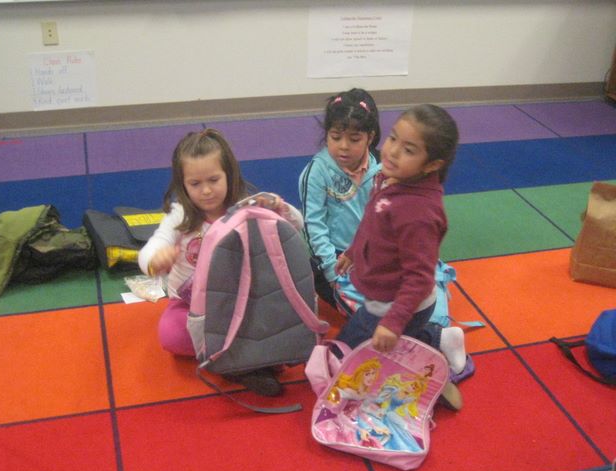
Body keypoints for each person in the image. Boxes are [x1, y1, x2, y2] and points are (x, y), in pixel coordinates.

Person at [138, 128, 303, 396]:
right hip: (192, 307)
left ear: (229, 174)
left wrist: (279, 207)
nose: (206, 191)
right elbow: (152, 247)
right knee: (171, 334)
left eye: (214, 180)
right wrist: (156, 259)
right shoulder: (180, 215)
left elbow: (295, 225)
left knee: (278, 317)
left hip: (241, 303)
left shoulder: (246, 207)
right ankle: (243, 362)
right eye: (195, 184)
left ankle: (233, 359)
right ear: (183, 184)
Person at [334, 104, 467, 409]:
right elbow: (372, 223)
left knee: (350, 353)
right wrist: (353, 252)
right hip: (385, 293)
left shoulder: (418, 213)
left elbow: (419, 278)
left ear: (432, 164)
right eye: (393, 138)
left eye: (408, 150)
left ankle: (433, 368)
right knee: (386, 342)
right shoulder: (392, 178)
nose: (392, 151)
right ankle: (440, 338)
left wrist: (393, 322)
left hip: (395, 302)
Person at [298, 88, 381, 312]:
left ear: (370, 137)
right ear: (326, 134)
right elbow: (314, 226)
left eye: (354, 139)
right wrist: (332, 271)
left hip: (374, 254)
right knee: (367, 314)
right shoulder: (316, 172)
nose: (344, 146)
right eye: (335, 137)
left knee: (419, 290)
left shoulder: (382, 168)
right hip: (336, 257)